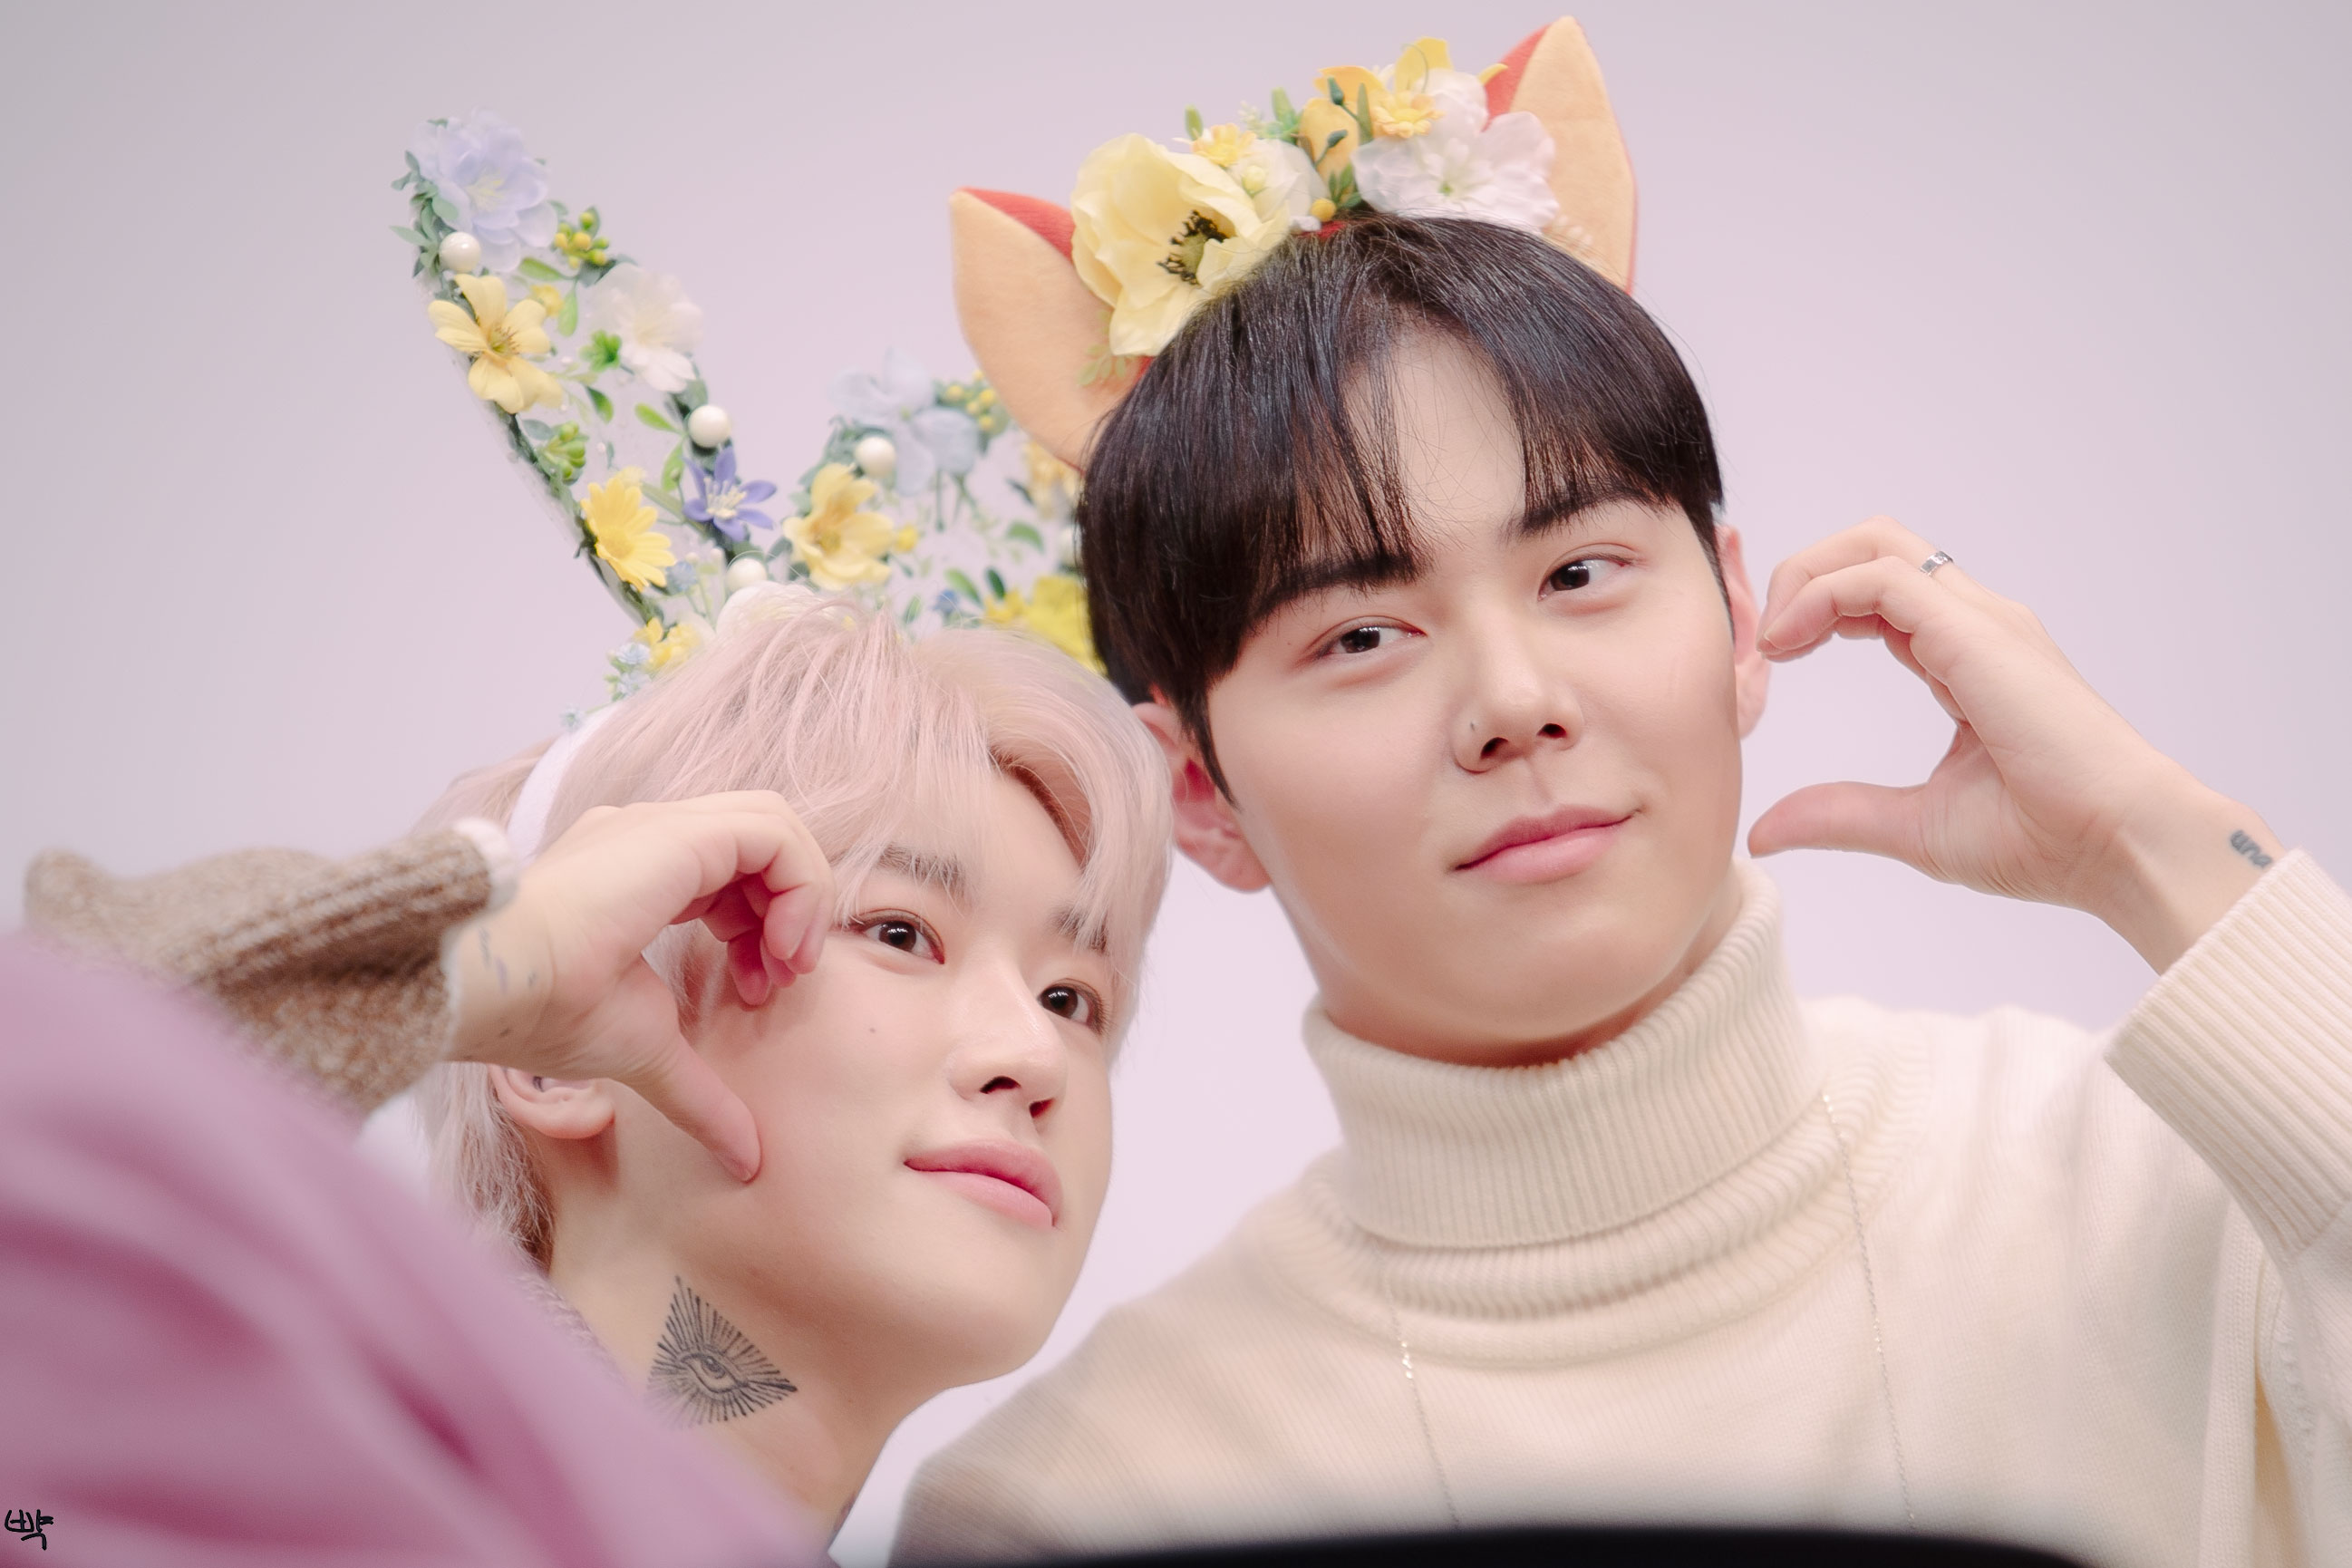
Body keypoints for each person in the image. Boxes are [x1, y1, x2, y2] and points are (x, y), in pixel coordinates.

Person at [890, 27, 2352, 1568]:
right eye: (1361, 636)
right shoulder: (1078, 1503)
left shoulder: (2196, 1195)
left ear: (1735, 614)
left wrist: (2147, 846)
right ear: (1198, 791)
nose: (1514, 701)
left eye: (1581, 571)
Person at [24, 591, 1170, 1551]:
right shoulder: (287, 1458)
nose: (1035, 1057)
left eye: (1073, 998)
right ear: (553, 1057)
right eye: (901, 931)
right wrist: (484, 956)